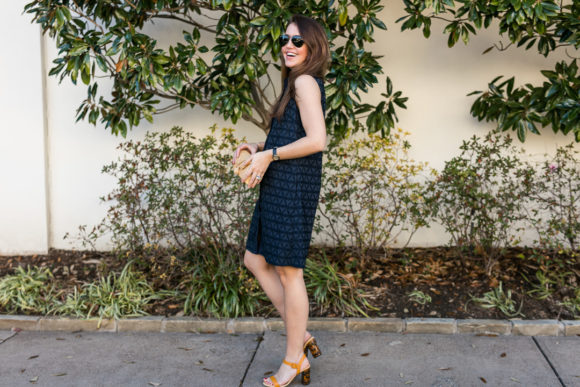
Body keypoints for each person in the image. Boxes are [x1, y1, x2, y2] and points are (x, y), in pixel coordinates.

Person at [231, 14, 330, 387]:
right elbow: (290, 133)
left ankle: (293, 360)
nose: (289, 45)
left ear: (313, 47)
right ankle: (299, 334)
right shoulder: (296, 82)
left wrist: (268, 156)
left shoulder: (305, 82)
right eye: (285, 39)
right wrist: (256, 146)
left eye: (297, 41)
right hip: (279, 182)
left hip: (292, 184)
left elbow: (317, 140)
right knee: (254, 258)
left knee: (289, 272)